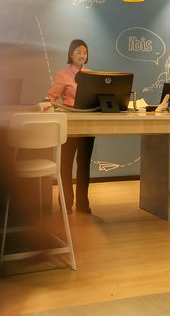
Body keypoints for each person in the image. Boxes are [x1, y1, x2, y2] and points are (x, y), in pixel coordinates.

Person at [47, 39, 95, 214]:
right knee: (66, 165)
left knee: (84, 164)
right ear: (70, 54)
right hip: (69, 124)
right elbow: (51, 98)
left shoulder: (92, 74)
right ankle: (66, 203)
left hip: (88, 124)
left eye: (85, 52)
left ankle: (83, 203)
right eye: (78, 52)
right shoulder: (62, 75)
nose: (82, 55)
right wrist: (57, 108)